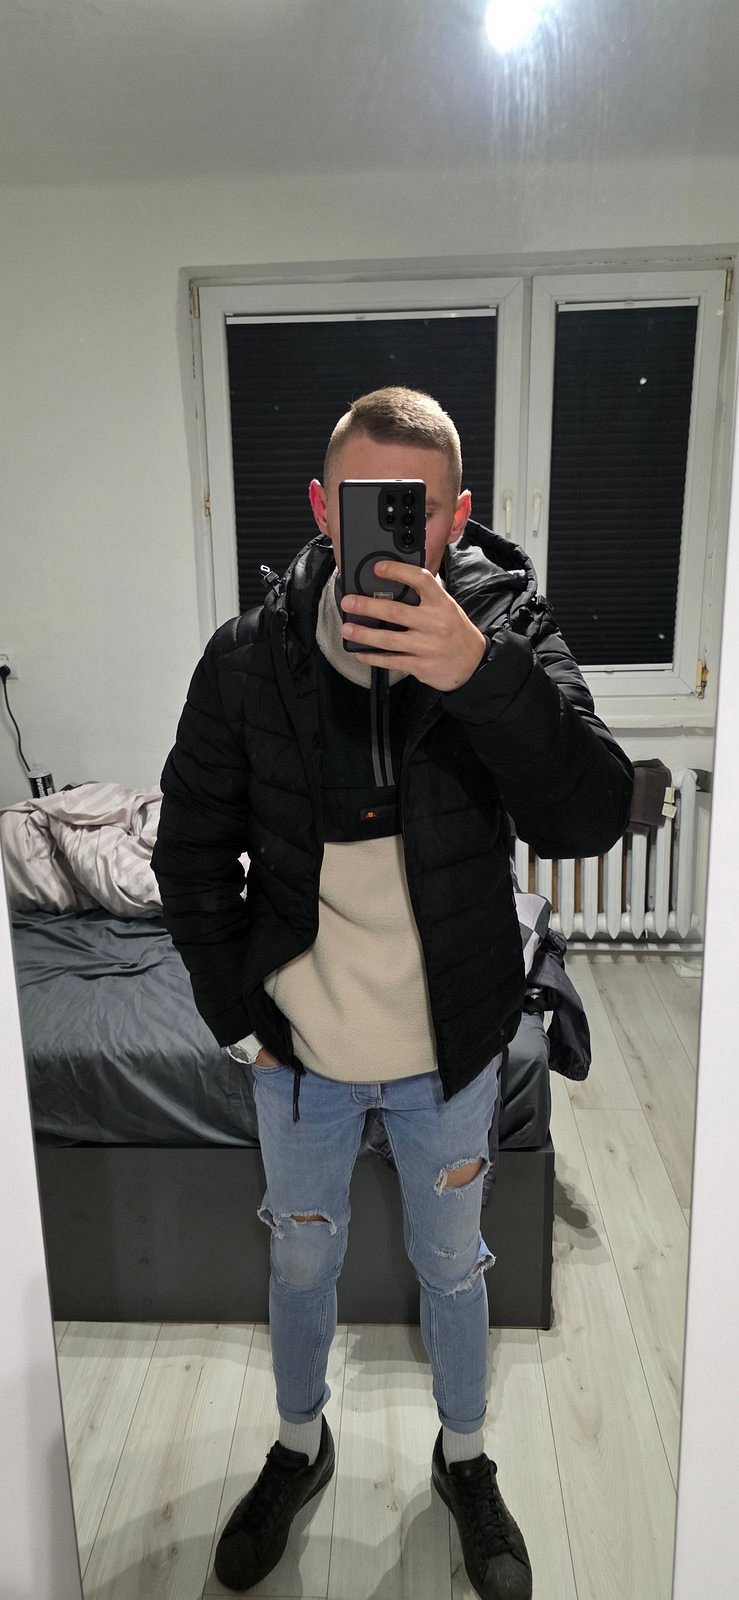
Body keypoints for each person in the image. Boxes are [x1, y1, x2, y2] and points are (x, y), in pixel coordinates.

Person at [151, 386, 633, 1600]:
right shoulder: (248, 656)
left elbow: (589, 810)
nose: (391, 530)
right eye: (368, 503)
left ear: (455, 518)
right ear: (323, 506)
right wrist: (237, 1018)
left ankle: (463, 1458)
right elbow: (189, 849)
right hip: (298, 1057)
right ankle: (298, 1444)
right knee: (299, 1266)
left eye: (415, 510)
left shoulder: (505, 630)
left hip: (451, 1049)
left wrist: (480, 674)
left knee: (453, 1268)